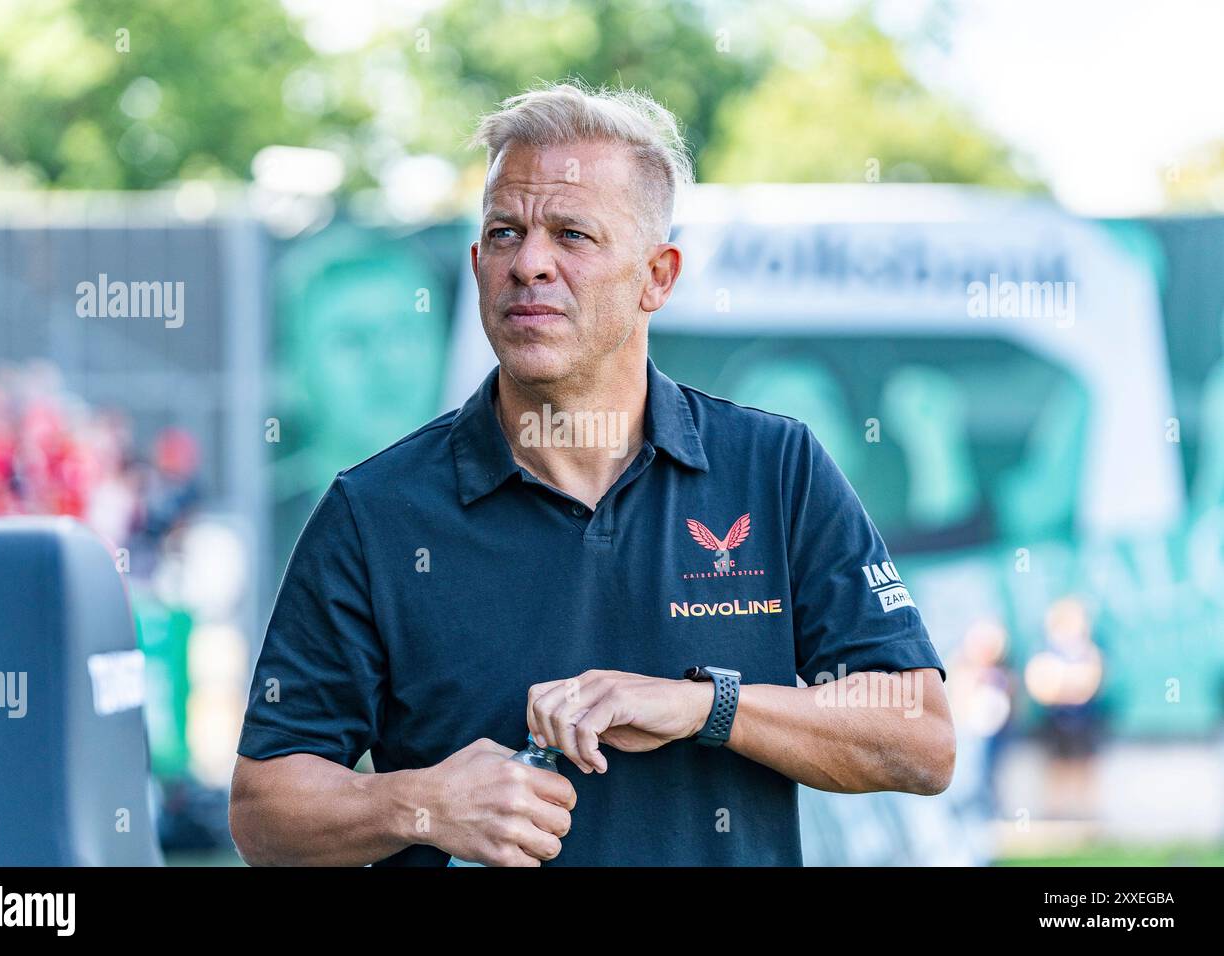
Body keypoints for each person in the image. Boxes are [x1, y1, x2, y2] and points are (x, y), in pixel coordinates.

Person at [230, 80, 954, 867]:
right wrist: (419, 805)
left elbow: (919, 737)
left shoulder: (774, 469)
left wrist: (706, 705)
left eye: (572, 234)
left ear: (658, 276)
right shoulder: (375, 512)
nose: (529, 263)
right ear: (477, 266)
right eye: (505, 233)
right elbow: (264, 810)